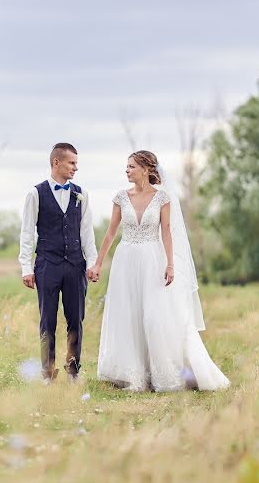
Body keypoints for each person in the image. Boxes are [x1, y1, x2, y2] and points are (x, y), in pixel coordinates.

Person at [89, 150, 229, 392]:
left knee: (154, 316)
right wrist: (98, 263)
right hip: (126, 260)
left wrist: (170, 263)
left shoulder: (162, 198)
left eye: (131, 166)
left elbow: (167, 232)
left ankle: (163, 373)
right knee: (129, 314)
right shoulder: (121, 197)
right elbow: (111, 232)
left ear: (146, 169)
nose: (127, 170)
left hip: (153, 260)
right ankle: (133, 374)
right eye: (127, 166)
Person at [18, 143, 98, 383]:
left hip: (75, 265)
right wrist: (26, 267)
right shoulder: (35, 193)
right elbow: (27, 233)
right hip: (47, 264)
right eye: (72, 163)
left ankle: (73, 370)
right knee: (48, 321)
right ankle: (47, 373)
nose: (76, 167)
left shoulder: (80, 194)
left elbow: (87, 232)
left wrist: (92, 262)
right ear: (56, 162)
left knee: (76, 319)